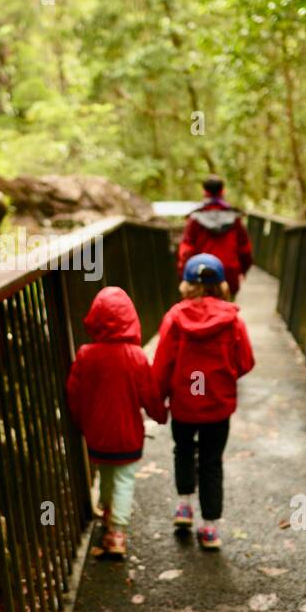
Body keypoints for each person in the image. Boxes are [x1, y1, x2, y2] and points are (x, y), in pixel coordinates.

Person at [153, 254, 255, 550]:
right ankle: (210, 528)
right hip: (217, 408)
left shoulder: (174, 318)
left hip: (185, 406)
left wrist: (158, 403)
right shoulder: (233, 321)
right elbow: (246, 361)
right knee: (211, 462)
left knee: (183, 450)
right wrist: (223, 375)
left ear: (187, 284)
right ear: (220, 285)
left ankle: (184, 505)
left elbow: (162, 366)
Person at [66, 286, 167, 558]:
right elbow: (149, 393)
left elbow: (74, 393)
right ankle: (117, 533)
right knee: (124, 478)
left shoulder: (86, 355)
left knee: (106, 472)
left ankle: (107, 508)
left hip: (97, 435)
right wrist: (160, 414)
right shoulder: (135, 356)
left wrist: (79, 423)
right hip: (127, 434)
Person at [176, 176, 254, 300]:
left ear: (204, 192)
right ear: (222, 191)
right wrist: (243, 270)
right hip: (229, 276)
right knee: (227, 311)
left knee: (198, 311)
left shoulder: (195, 219)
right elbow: (245, 249)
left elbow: (186, 250)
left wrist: (184, 274)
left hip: (199, 277)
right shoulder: (235, 218)